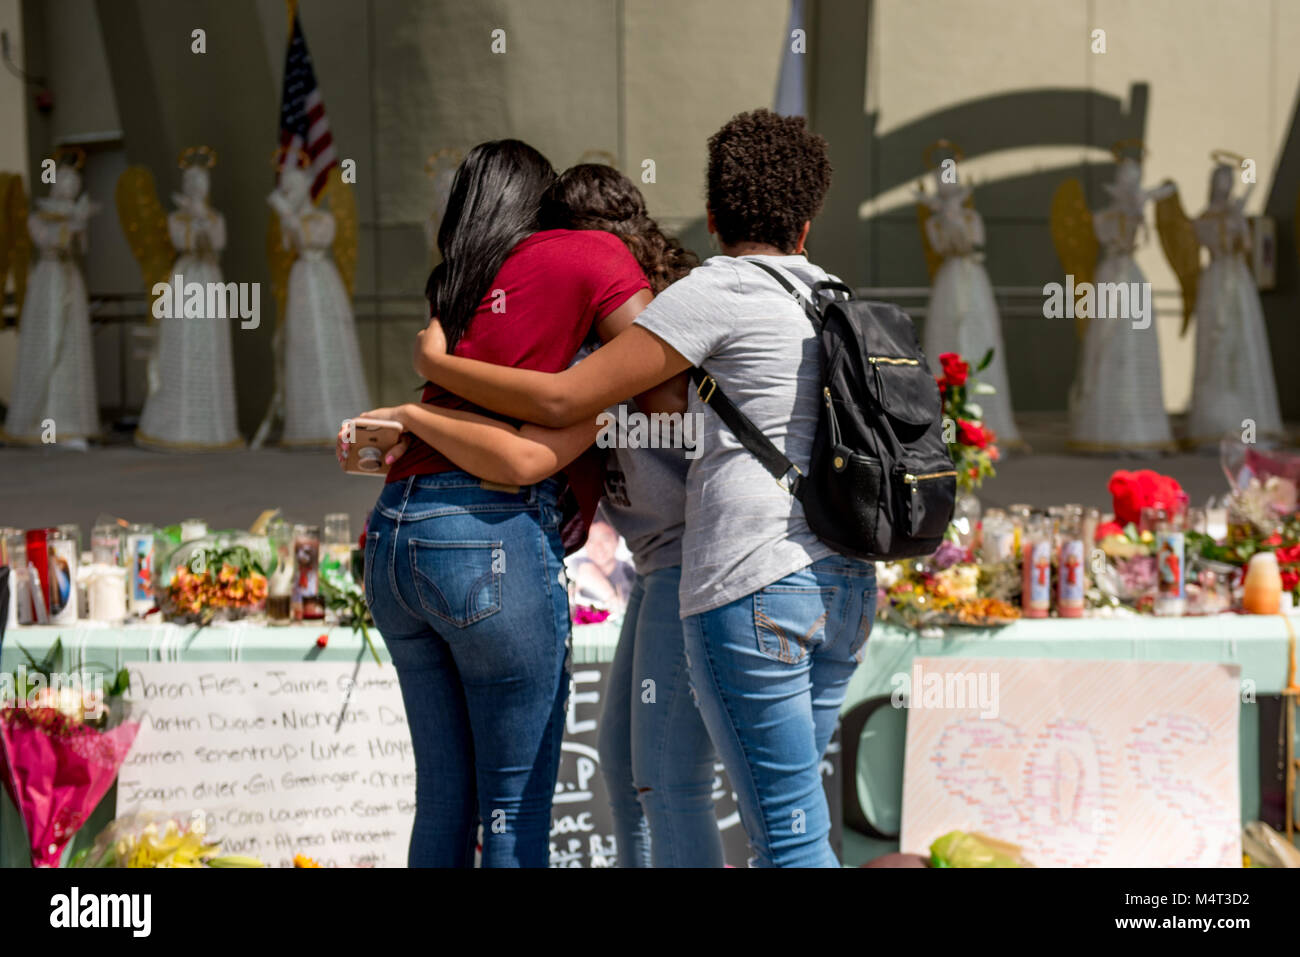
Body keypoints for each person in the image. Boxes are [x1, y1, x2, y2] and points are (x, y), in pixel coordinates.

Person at [412, 110, 876, 867]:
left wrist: (431, 376)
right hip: (819, 572)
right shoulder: (817, 290)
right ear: (807, 220)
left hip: (714, 565)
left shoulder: (673, 315)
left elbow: (556, 415)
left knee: (670, 785)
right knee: (666, 780)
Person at [344, 161, 722, 867]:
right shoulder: (590, 325)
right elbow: (526, 457)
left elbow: (540, 416)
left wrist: (415, 405)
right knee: (520, 808)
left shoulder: (466, 281)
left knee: (445, 802)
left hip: (397, 532)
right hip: (491, 541)